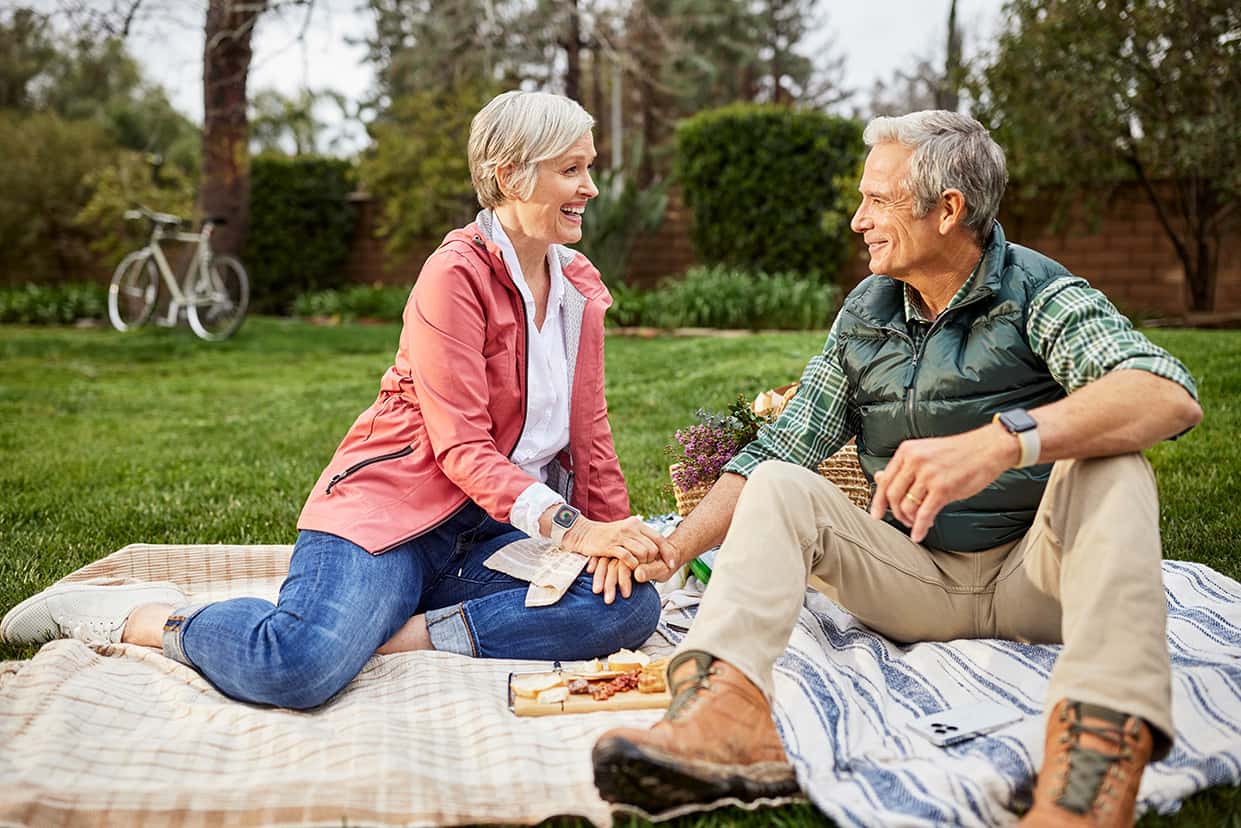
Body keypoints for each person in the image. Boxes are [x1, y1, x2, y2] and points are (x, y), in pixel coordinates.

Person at [591, 111, 1202, 827]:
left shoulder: (1041, 292)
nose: (857, 220)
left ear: (947, 209)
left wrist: (1003, 442)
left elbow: (1164, 392)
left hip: (1040, 580)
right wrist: (674, 548)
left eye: (876, 200)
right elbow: (779, 447)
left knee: (1113, 467)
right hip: (914, 579)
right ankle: (725, 720)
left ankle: (1087, 783)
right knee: (782, 486)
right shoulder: (866, 311)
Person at [2, 90, 674, 710]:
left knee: (626, 606)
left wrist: (613, 540)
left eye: (588, 168)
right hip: (392, 516)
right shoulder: (456, 274)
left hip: (491, 534)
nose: (589, 187)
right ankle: (140, 617)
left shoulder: (577, 284)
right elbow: (462, 447)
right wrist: (576, 531)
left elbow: (588, 433)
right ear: (509, 176)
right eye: (571, 170)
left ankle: (390, 634)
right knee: (295, 667)